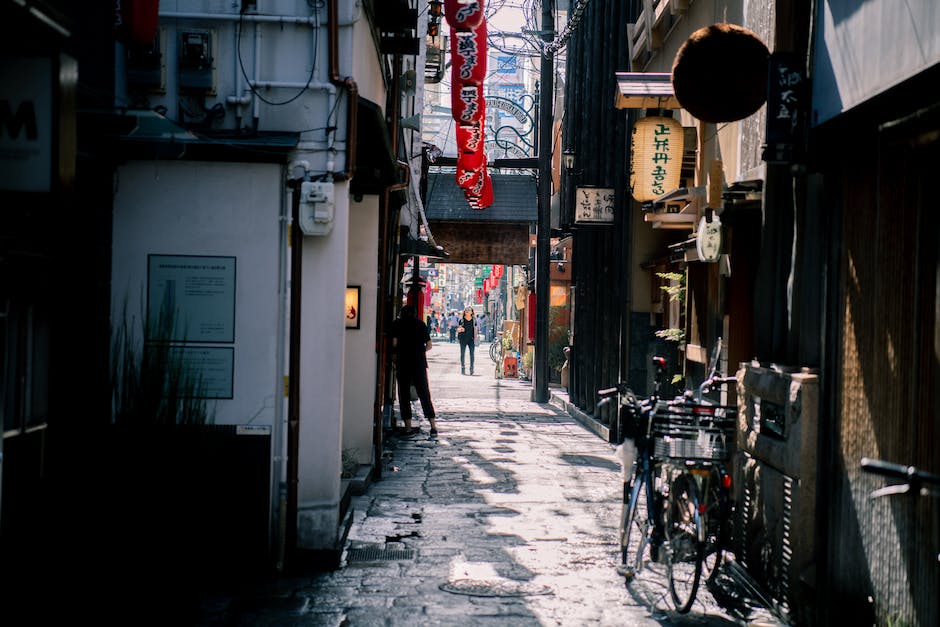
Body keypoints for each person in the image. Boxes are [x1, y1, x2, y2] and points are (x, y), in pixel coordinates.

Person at [390, 304, 438, 436]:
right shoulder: (420, 324)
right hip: (419, 363)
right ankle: (433, 426)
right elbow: (429, 345)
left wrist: (398, 354)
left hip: (403, 363)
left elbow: (394, 343)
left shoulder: (397, 324)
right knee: (424, 393)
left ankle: (408, 427)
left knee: (404, 394)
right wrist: (419, 351)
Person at [457, 306, 477, 375]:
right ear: (464, 312)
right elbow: (458, 329)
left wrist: (476, 337)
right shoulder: (461, 320)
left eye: (469, 310)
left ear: (472, 312)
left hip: (471, 340)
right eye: (466, 310)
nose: (467, 311)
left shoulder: (474, 320)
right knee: (462, 354)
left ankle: (471, 368)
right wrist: (460, 329)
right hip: (463, 339)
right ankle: (463, 368)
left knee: (472, 354)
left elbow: (475, 329)